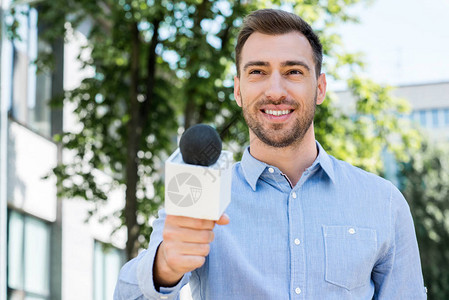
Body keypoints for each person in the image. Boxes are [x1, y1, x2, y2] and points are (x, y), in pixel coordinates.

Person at [114, 9, 426, 300]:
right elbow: (127, 292)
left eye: (293, 72)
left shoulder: (382, 202)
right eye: (258, 72)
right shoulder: (201, 193)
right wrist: (164, 267)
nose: (275, 90)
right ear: (238, 90)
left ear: (319, 88)